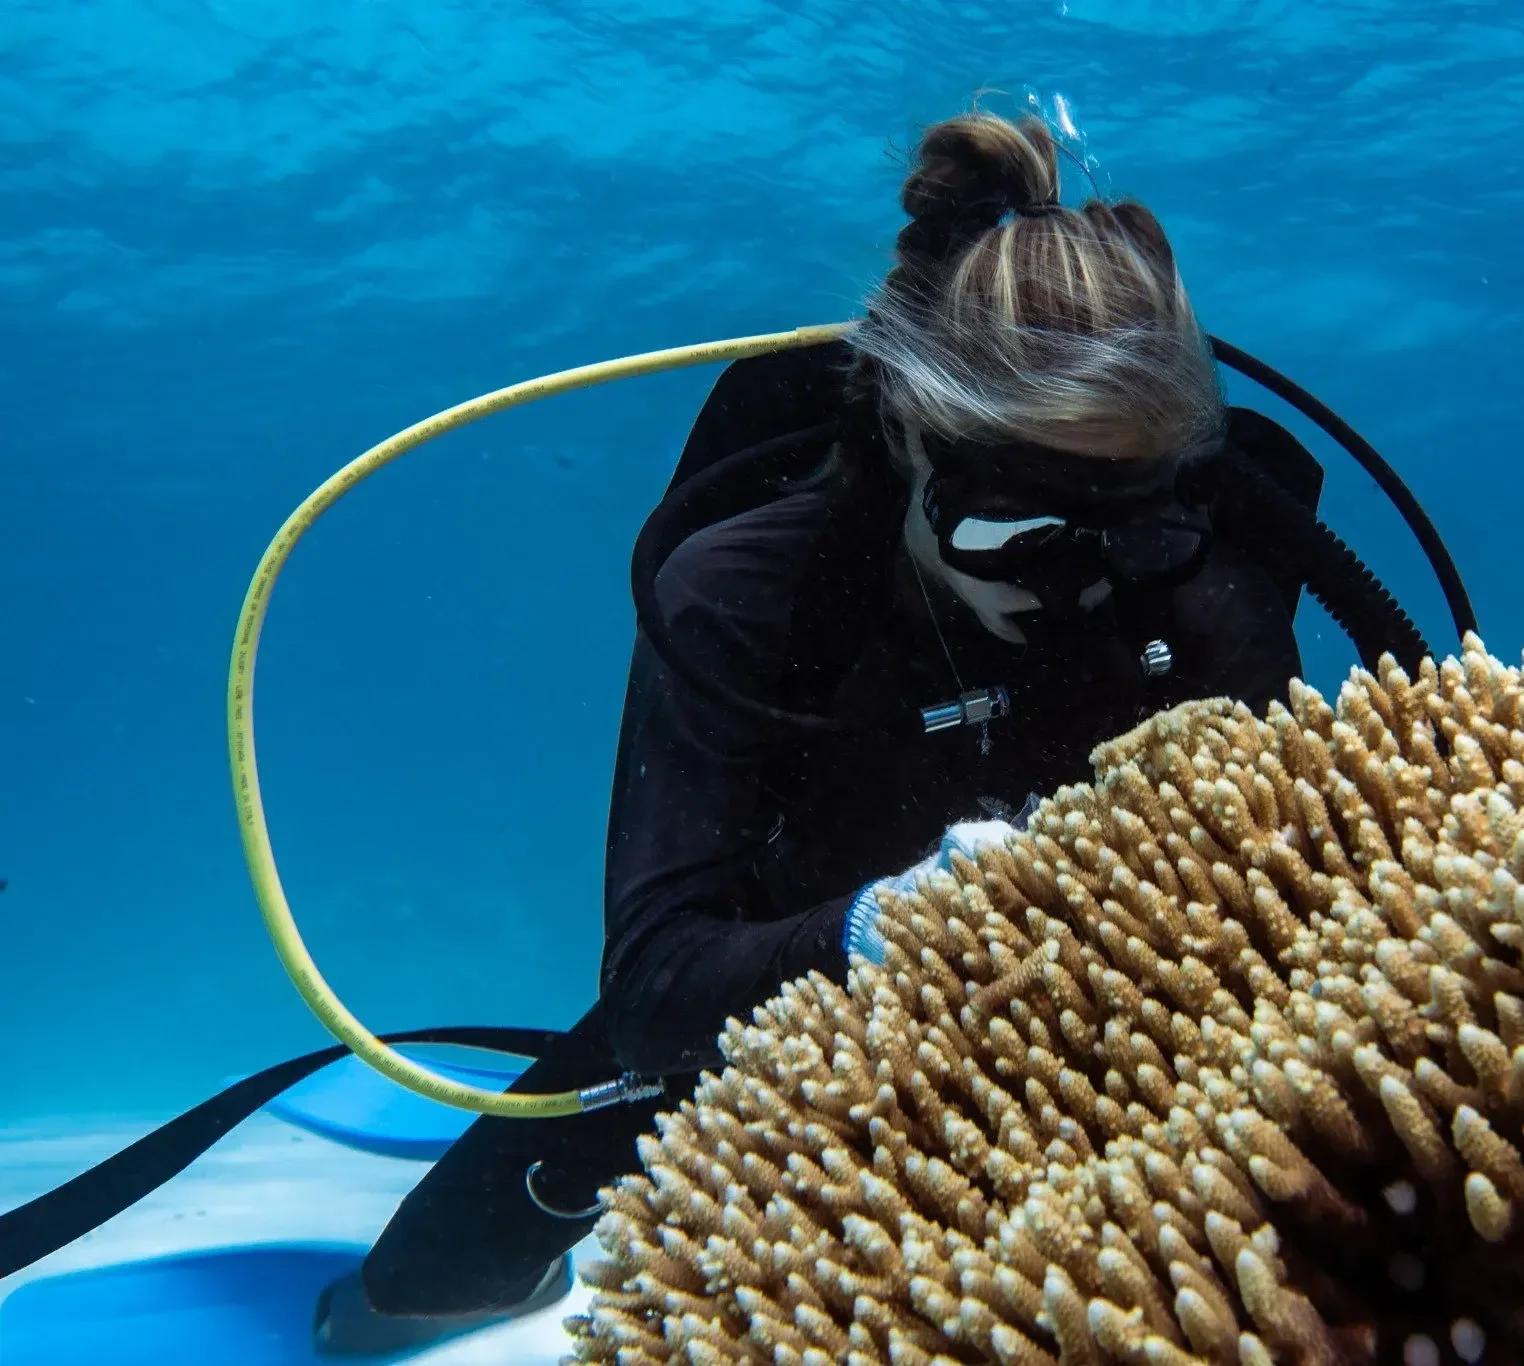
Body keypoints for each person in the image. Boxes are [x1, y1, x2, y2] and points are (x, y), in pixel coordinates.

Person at [312, 107, 1309, 1354]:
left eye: (1129, 530)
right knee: (420, 1288)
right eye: (1023, 531)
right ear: (909, 441)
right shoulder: (745, 591)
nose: (1075, 586)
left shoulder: (1205, 579)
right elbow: (656, 983)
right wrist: (878, 925)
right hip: (782, 968)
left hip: (1119, 1017)